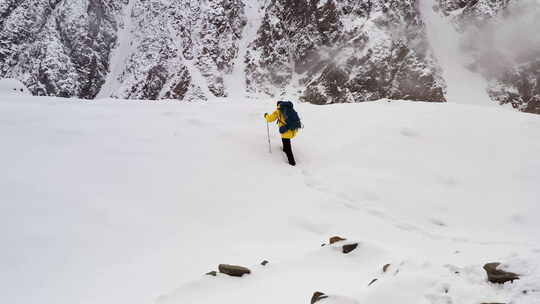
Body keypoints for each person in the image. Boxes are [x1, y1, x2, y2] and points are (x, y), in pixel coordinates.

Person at [264, 101, 298, 166]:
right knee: (285, 141)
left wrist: (266, 116)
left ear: (278, 105)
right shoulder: (290, 108)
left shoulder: (278, 110)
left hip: (286, 131)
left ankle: (292, 162)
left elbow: (270, 119)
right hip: (292, 129)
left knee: (288, 147)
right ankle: (284, 149)